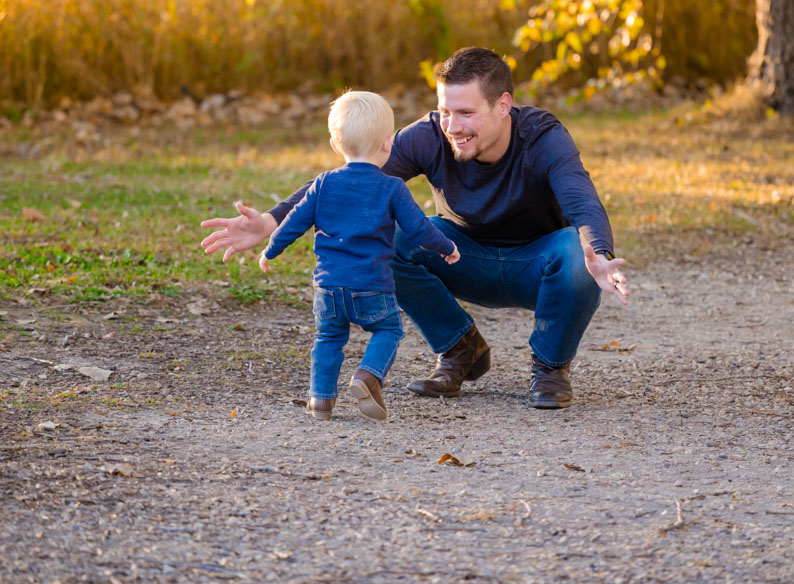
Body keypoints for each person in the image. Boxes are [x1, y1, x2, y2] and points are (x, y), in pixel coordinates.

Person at [201, 47, 629, 410]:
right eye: (446, 111)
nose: (453, 127)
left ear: (503, 105)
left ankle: (550, 368)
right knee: (394, 234)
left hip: (538, 263)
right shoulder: (429, 136)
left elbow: (581, 200)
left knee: (580, 255)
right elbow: (349, 180)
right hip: (466, 258)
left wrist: (601, 254)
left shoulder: (543, 137)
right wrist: (272, 220)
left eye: (466, 113)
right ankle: (461, 349)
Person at [255, 90, 460, 421]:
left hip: (328, 287)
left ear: (336, 146)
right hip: (371, 286)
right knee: (388, 330)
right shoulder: (392, 187)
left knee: (328, 338)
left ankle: (320, 401)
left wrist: (271, 249)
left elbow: (294, 222)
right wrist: (447, 247)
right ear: (387, 144)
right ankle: (367, 375)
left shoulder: (322, 184)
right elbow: (419, 229)